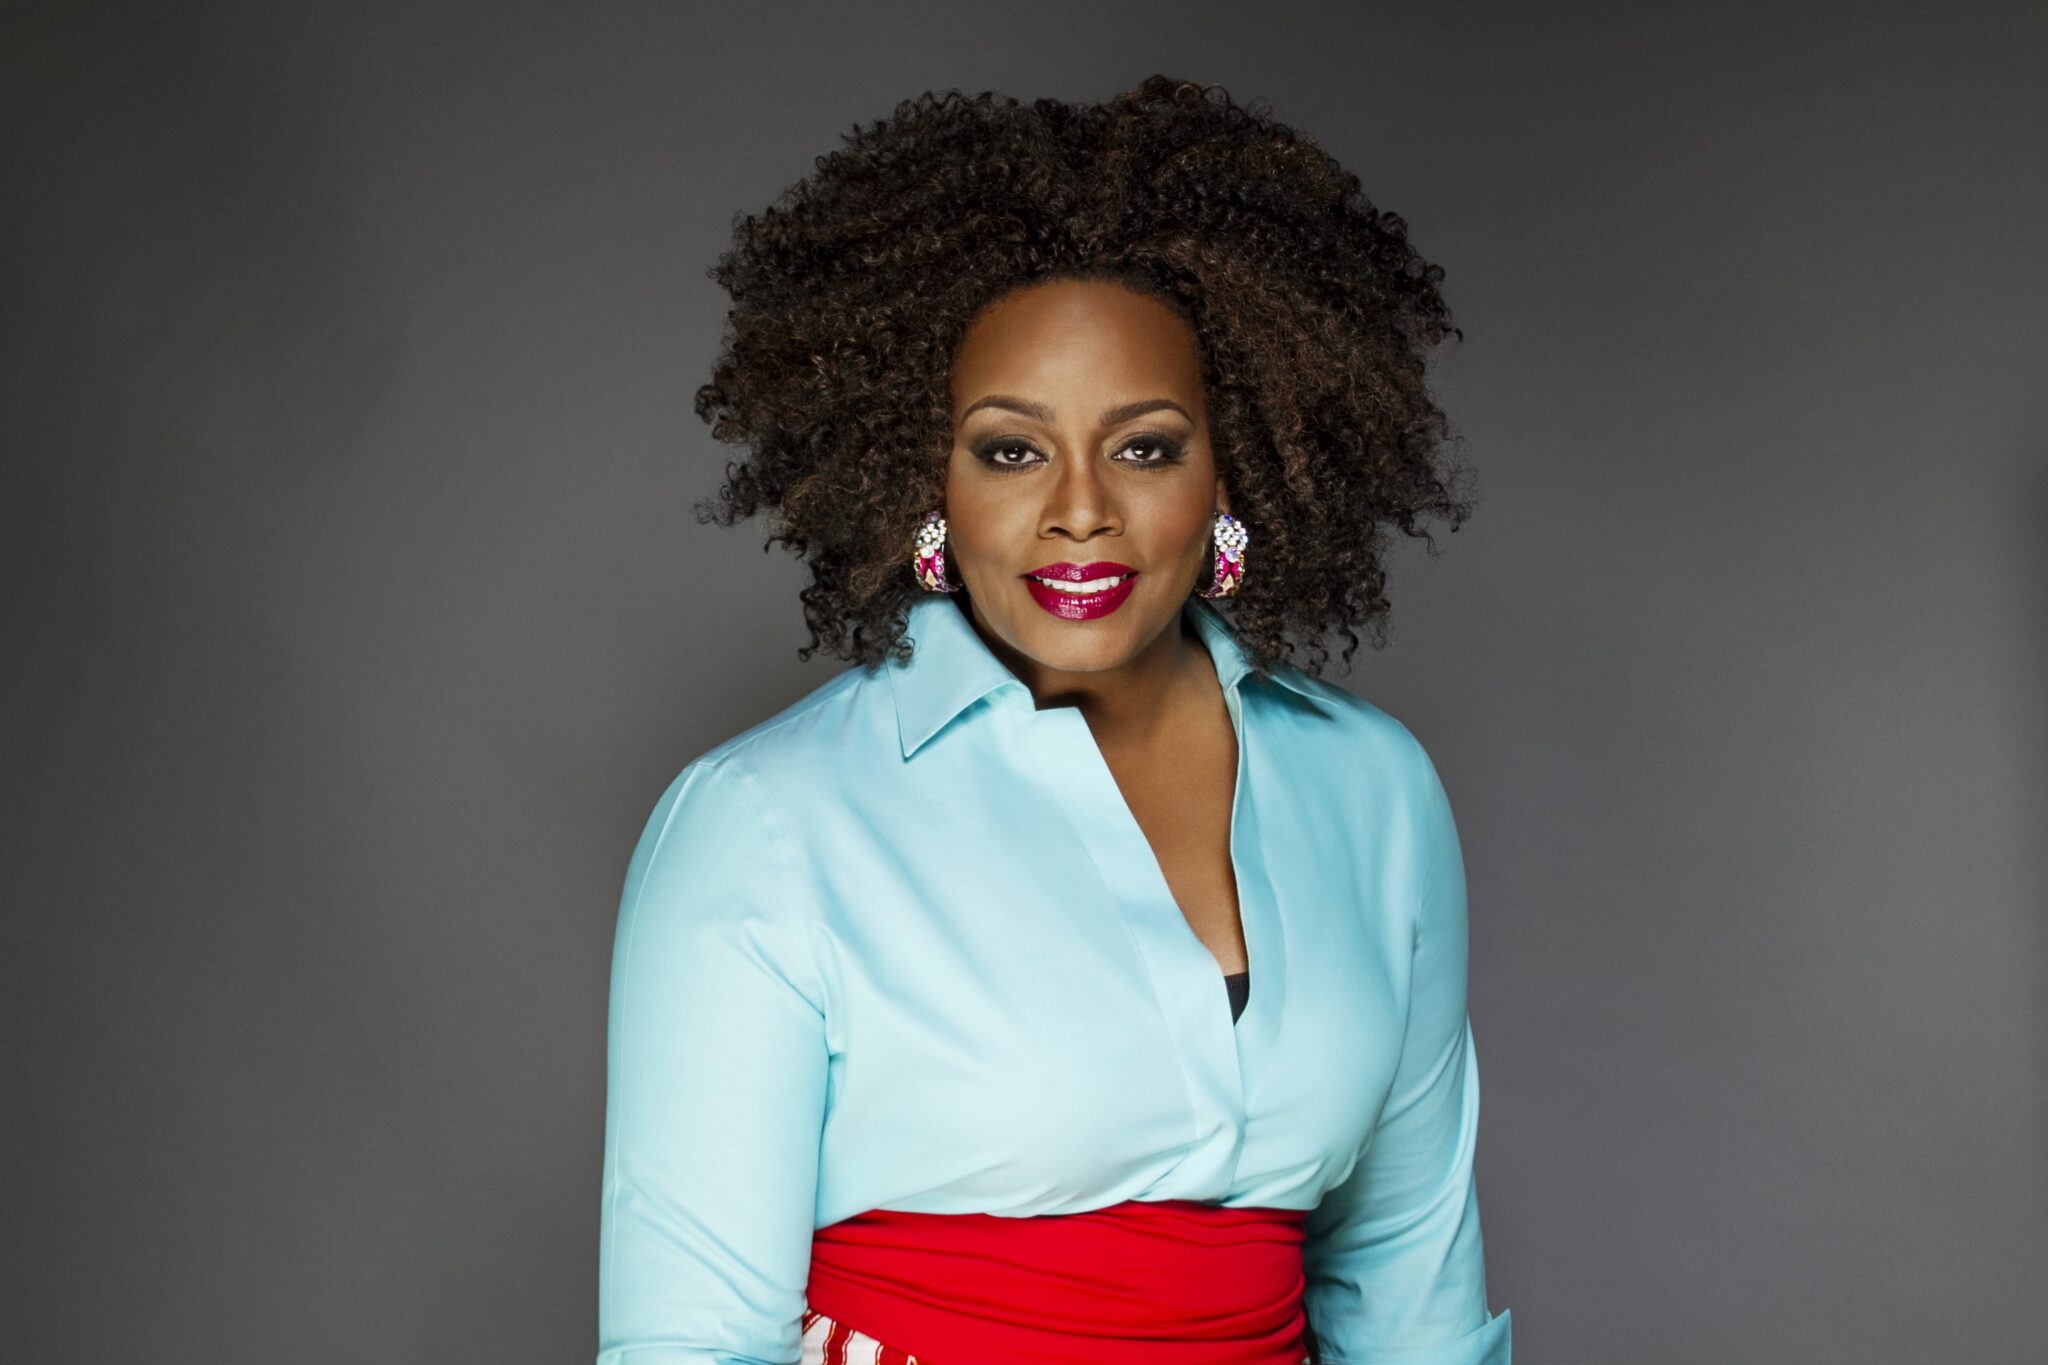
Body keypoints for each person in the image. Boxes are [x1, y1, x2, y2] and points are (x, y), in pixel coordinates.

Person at [598, 75, 1512, 1365]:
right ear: (927, 479)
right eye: (1010, 450)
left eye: (1145, 447)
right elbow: (686, 1348)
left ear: (1231, 471)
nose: (1081, 510)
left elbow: (1413, 1293)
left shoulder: (1373, 790)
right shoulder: (763, 828)